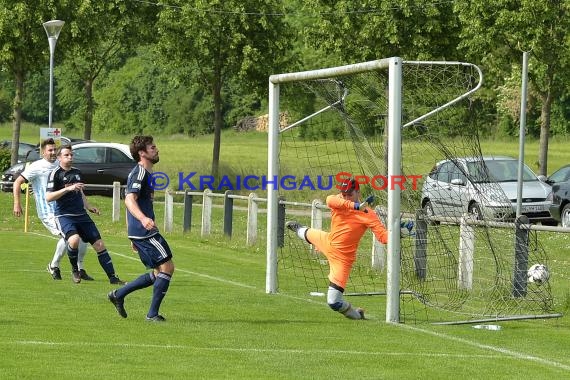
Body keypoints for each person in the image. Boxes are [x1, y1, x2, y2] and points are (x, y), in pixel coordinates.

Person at [286, 178, 388, 320]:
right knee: (305, 233)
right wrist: (355, 206)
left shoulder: (368, 213)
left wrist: (398, 234)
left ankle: (358, 315)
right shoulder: (338, 201)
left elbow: (384, 237)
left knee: (333, 302)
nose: (345, 197)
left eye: (349, 194)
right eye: (343, 194)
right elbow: (329, 200)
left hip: (342, 258)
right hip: (328, 241)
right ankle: (298, 228)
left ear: (358, 192)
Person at [108, 135, 174, 322]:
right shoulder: (140, 173)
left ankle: (119, 294)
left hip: (139, 232)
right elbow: (129, 200)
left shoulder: (143, 173)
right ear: (142, 153)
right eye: (152, 148)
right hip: (145, 231)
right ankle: (152, 314)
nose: (157, 149)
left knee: (157, 272)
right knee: (167, 267)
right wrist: (144, 219)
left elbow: (128, 201)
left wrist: (131, 235)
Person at [12, 138, 92, 281]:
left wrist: (87, 205)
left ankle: (80, 269)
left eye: (55, 149)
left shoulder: (60, 165)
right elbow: (18, 182)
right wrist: (17, 203)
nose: (53, 152)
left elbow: (74, 185)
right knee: (69, 237)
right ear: (43, 152)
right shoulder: (36, 167)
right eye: (50, 150)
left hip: (65, 209)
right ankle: (54, 265)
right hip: (48, 212)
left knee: (83, 235)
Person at [46, 144, 124, 285]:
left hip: (81, 215)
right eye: (66, 155)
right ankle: (75, 270)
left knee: (99, 245)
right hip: (64, 215)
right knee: (74, 240)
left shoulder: (77, 172)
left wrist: (88, 206)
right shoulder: (55, 174)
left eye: (71, 155)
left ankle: (113, 277)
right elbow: (49, 197)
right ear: (59, 158)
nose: (70, 157)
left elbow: (80, 191)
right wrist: (68, 189)